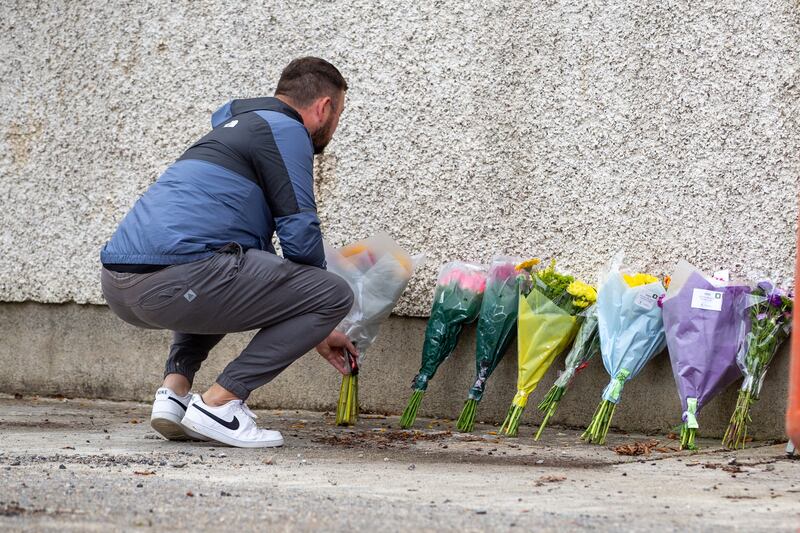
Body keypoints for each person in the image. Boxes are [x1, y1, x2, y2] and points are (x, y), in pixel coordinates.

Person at [99, 57, 356, 448]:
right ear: (324, 107)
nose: (335, 126)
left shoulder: (236, 129)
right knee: (334, 292)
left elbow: (253, 267)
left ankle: (174, 393)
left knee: (231, 266)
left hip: (120, 284)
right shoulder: (286, 130)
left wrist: (311, 323)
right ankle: (220, 404)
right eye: (338, 115)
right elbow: (301, 236)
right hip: (175, 279)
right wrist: (320, 314)